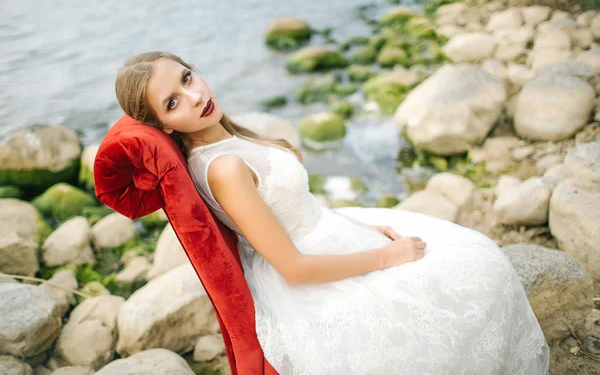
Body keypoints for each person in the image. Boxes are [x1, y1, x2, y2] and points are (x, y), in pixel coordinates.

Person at [115, 51, 550, 374]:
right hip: (307, 274)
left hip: (327, 233)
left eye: (188, 78)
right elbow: (294, 268)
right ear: (164, 126)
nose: (194, 96)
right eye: (172, 102)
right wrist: (387, 257)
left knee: (473, 263)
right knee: (473, 280)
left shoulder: (222, 141)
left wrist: (360, 227)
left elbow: (289, 209)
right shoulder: (224, 167)